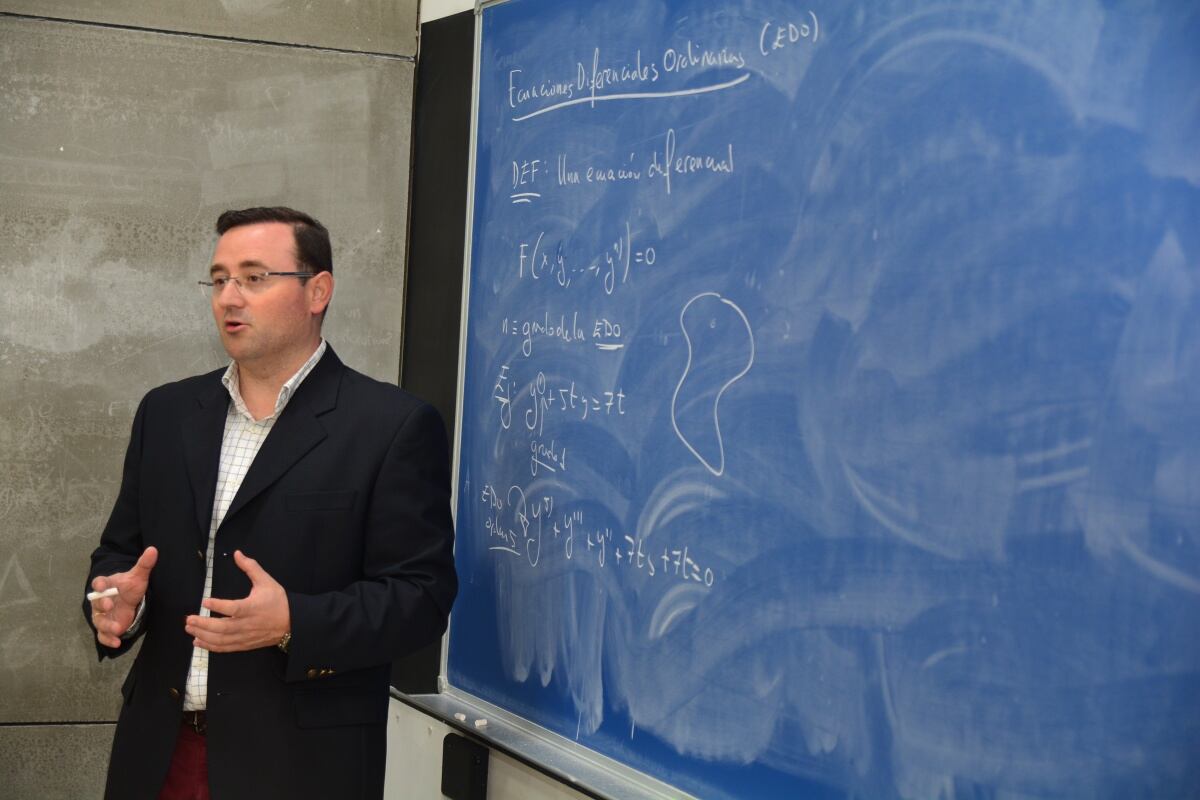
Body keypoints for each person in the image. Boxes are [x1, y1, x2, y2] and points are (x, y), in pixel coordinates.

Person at [83, 207, 457, 800]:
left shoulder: (390, 426)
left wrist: (294, 623)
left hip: (300, 765)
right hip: (158, 752)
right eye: (219, 277)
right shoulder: (168, 412)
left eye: (254, 277)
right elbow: (121, 550)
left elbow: (421, 598)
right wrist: (113, 602)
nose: (229, 296)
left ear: (318, 290)